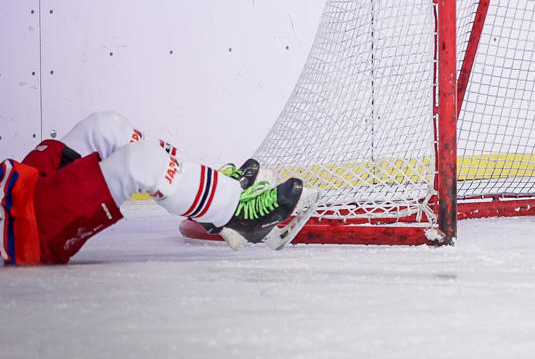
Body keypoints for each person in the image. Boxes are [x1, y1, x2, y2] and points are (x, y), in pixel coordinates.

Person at [2, 111, 319, 265]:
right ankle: (237, 216)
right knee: (140, 162)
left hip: (21, 182)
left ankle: (215, 198)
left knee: (105, 127)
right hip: (22, 224)